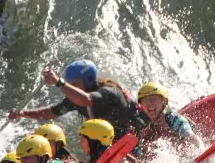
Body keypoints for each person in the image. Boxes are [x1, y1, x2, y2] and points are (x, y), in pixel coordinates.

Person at [8, 59, 147, 141]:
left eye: (73, 84)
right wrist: (22, 114)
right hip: (112, 140)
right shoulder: (75, 98)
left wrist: (58, 82)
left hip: (134, 137)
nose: (70, 88)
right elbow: (50, 113)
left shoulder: (108, 92)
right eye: (69, 83)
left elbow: (87, 100)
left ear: (87, 81)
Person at [135, 81, 204, 163]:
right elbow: (141, 157)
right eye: (145, 101)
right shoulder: (145, 130)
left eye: (153, 99)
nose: (149, 104)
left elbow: (191, 136)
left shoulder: (174, 119)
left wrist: (202, 152)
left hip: (188, 157)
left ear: (164, 101)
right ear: (141, 106)